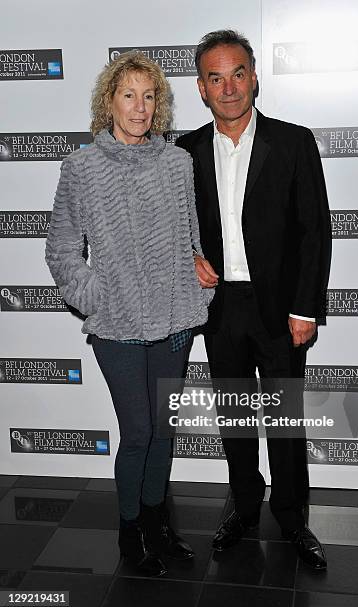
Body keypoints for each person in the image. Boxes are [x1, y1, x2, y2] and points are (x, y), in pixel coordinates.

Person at [45, 50, 213, 577]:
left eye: (149, 96)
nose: (139, 108)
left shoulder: (178, 161)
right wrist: (97, 298)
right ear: (108, 101)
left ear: (158, 103)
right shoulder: (82, 167)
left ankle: (159, 525)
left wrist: (197, 272)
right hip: (117, 327)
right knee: (137, 432)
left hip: (175, 319)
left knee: (163, 430)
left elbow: (192, 238)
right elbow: (62, 250)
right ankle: (130, 532)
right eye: (128, 95)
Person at [176, 30, 332, 570]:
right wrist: (188, 255)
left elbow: (315, 231)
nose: (229, 87)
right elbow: (173, 226)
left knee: (284, 419)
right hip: (220, 309)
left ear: (255, 77)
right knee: (236, 415)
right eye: (215, 78)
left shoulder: (293, 142)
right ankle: (243, 507)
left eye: (237, 74)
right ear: (201, 88)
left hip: (281, 309)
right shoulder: (185, 152)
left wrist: (306, 308)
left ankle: (291, 515)